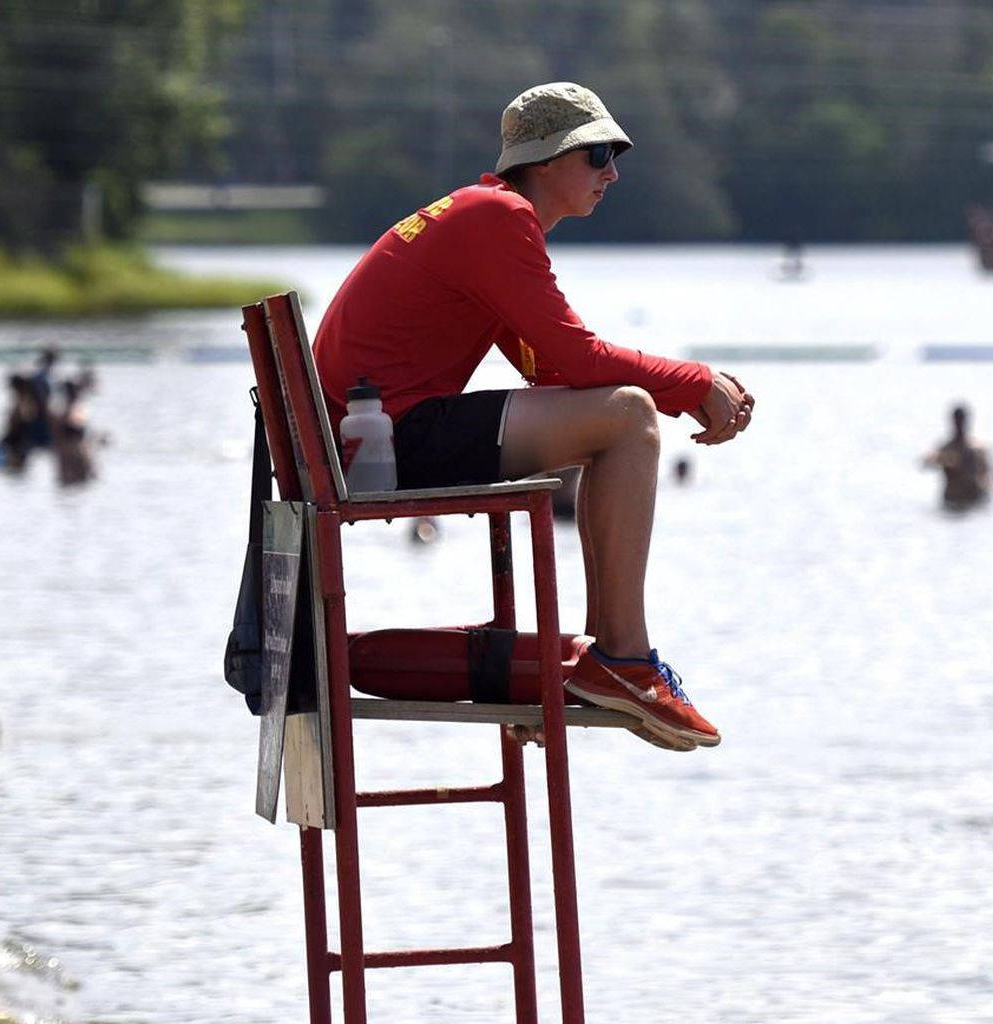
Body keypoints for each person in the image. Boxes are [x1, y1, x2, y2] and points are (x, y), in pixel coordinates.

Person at [312, 81, 754, 751]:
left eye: (617, 156)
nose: (613, 173)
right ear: (546, 160)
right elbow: (578, 361)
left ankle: (609, 664)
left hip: (366, 437)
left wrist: (662, 386)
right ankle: (624, 662)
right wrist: (694, 380)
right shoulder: (497, 218)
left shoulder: (483, 215)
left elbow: (551, 369)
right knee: (630, 416)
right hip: (382, 443)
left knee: (621, 418)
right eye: (599, 154)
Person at [922, 402, 993, 511]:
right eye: (957, 420)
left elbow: (989, 477)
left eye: (961, 420)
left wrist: (983, 484)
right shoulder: (946, 449)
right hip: (952, 500)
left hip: (974, 499)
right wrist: (947, 461)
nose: (959, 424)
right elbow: (926, 462)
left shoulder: (978, 448)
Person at [52, 378, 95, 486]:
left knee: (72, 482)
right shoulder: (70, 410)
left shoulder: (68, 410)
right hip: (71, 451)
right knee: (74, 482)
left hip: (70, 451)